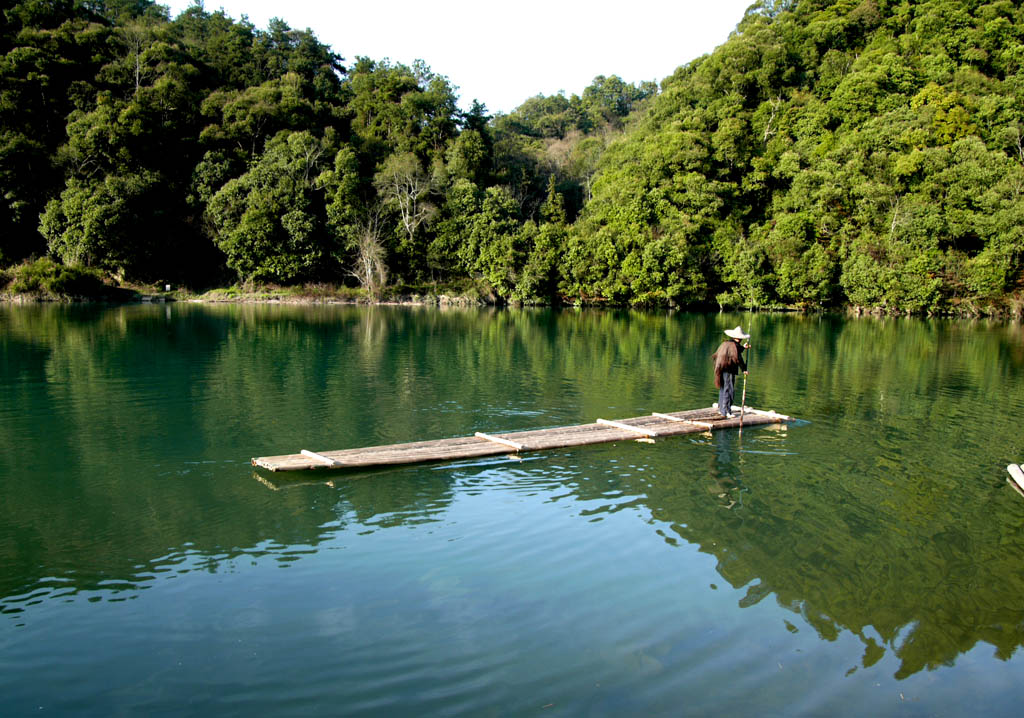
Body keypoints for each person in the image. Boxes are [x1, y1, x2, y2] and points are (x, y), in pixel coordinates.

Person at [712, 326, 750, 418]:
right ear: (740, 338)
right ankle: (726, 411)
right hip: (729, 370)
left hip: (721, 368)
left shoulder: (727, 343)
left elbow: (737, 349)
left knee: (723, 388)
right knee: (729, 389)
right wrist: (744, 369)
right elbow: (739, 359)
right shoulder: (734, 346)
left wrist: (743, 348)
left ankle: (721, 409)